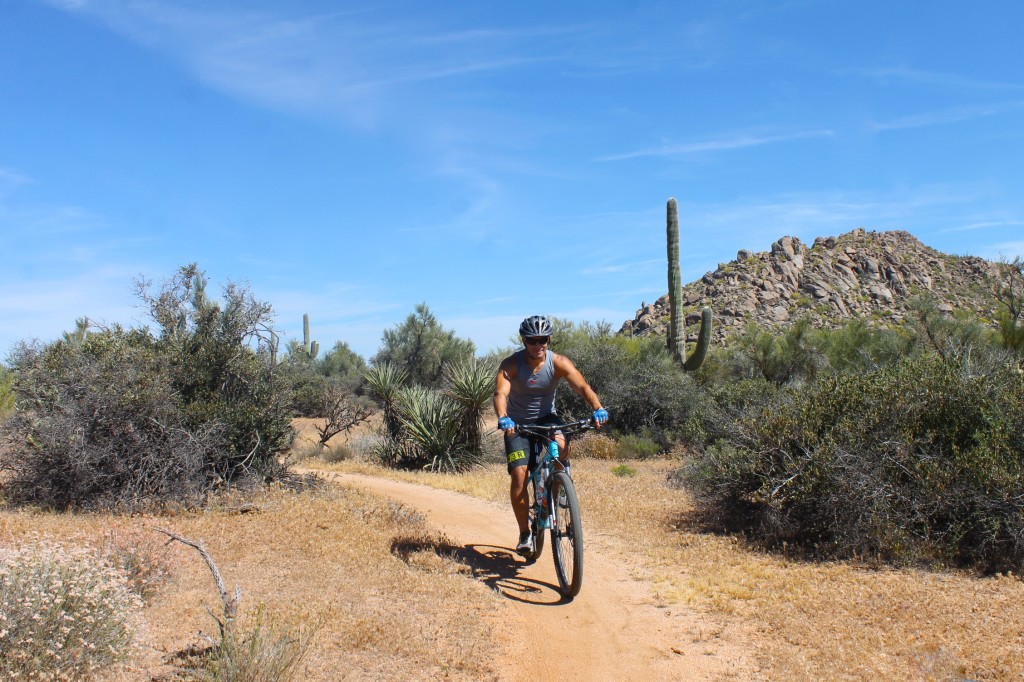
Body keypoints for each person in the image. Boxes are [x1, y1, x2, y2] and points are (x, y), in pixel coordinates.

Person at [493, 315, 609, 555]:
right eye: (533, 340)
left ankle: (561, 480)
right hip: (517, 423)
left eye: (543, 339)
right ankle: (525, 533)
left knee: (561, 442)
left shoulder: (558, 362)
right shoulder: (511, 364)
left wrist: (597, 408)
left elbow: (582, 387)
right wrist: (504, 417)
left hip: (547, 417)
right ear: (524, 340)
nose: (539, 345)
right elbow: (500, 394)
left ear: (549, 339)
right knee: (518, 476)